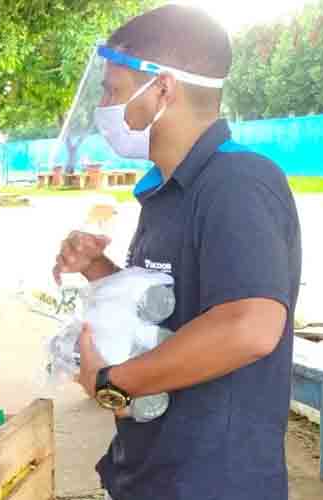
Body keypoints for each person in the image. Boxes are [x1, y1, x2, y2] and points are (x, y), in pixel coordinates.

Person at [53, 6, 301, 500]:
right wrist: (100, 271)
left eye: (113, 91)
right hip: (153, 469)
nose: (103, 106)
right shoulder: (168, 190)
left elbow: (248, 325)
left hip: (212, 481)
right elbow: (170, 308)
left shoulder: (237, 182)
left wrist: (114, 382)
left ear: (162, 89)